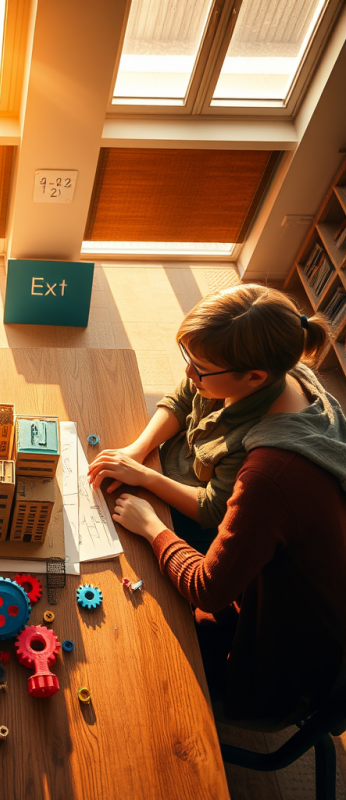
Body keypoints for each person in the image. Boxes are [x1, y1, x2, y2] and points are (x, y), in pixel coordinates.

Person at [87, 284, 345, 551]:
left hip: (197, 521)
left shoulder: (263, 449)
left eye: (200, 368)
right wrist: (137, 450)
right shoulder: (241, 369)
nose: (188, 372)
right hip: (171, 471)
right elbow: (182, 398)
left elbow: (212, 509)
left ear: (254, 377)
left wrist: (146, 476)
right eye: (190, 358)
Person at [111, 457, 346, 727]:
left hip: (270, 681)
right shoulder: (312, 436)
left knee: (133, 644)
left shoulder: (268, 478)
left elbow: (206, 589)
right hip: (310, 655)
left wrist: (152, 527)